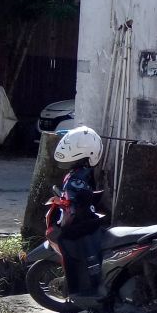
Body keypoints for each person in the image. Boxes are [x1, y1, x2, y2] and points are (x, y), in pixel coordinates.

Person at [51, 126, 106, 297]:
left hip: (86, 223)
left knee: (88, 251)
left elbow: (78, 198)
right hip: (89, 218)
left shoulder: (78, 178)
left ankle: (96, 291)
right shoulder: (79, 174)